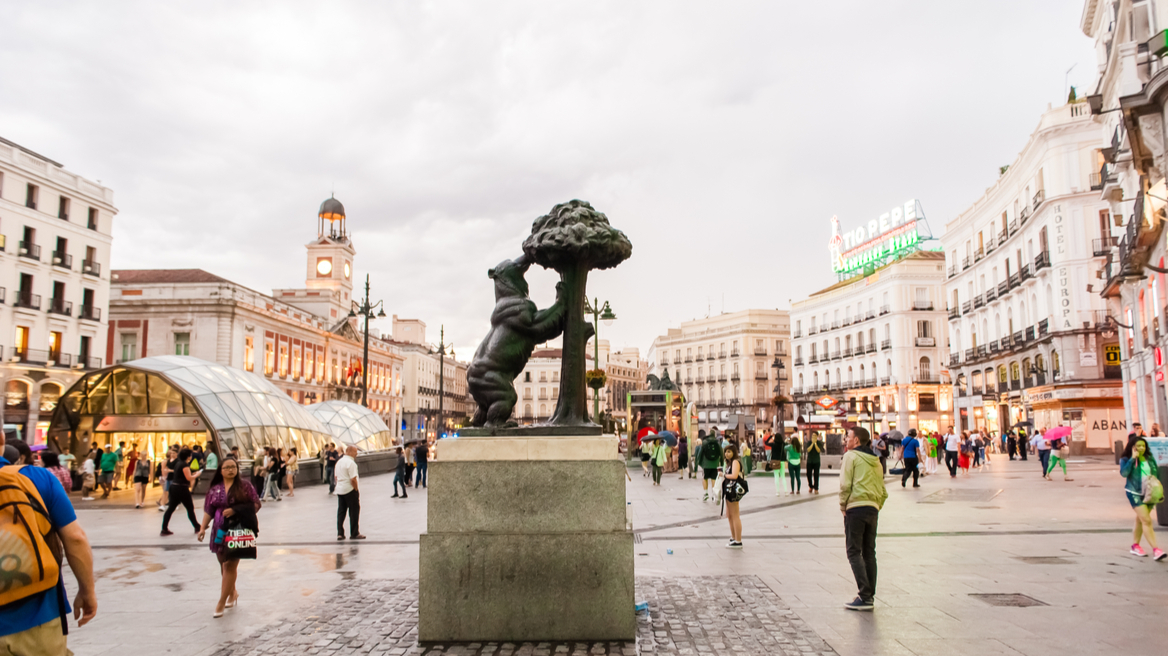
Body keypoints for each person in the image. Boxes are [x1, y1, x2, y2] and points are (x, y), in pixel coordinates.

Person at [0, 432, 98, 652]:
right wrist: (87, 591)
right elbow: (75, 538)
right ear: (1, 439)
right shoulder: (37, 478)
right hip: (39, 618)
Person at [197, 457, 262, 617]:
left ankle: (221, 602)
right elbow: (209, 509)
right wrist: (202, 527)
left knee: (229, 565)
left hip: (237, 530)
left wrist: (236, 510)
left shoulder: (244, 486)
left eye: (234, 467)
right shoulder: (215, 488)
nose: (231, 470)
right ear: (221, 470)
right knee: (222, 562)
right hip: (219, 530)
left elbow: (255, 504)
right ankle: (232, 593)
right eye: (227, 467)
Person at [839, 426, 888, 611]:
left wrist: (843, 505)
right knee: (869, 552)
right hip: (872, 509)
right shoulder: (875, 460)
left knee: (853, 551)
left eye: (848, 436)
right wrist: (876, 504)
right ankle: (869, 596)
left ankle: (864, 595)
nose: (846, 440)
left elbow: (845, 484)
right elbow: (883, 490)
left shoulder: (850, 456)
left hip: (855, 508)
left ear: (856, 440)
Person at [1120, 436, 1164, 560]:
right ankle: (1156, 550)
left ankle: (1135, 546)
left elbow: (1156, 473)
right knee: (1147, 520)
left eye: (1143, 446)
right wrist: (1132, 459)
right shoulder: (1125, 459)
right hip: (1134, 492)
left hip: (1149, 492)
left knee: (1141, 520)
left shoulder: (1149, 458)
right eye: (1138, 446)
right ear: (1132, 447)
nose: (1141, 448)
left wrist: (1158, 488)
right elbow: (1124, 473)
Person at [161, 448, 200, 536]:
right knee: (190, 508)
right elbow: (189, 478)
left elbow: (182, 475)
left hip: (174, 487)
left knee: (171, 508)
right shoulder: (184, 465)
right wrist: (197, 474)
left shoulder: (178, 463)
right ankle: (197, 526)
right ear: (188, 456)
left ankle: (164, 528)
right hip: (182, 488)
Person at [335, 445, 365, 540]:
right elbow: (353, 479)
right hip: (350, 490)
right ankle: (354, 533)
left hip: (340, 489)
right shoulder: (351, 463)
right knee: (354, 511)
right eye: (355, 452)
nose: (356, 454)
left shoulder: (339, 462)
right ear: (350, 452)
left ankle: (340, 533)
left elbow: (336, 477)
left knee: (341, 511)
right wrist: (356, 489)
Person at [722, 443, 745, 548]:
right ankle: (733, 537)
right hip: (729, 489)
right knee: (730, 515)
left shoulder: (735, 462)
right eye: (726, 452)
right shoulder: (730, 463)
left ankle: (738, 540)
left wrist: (724, 475)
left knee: (735, 515)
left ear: (734, 453)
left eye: (729, 452)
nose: (726, 454)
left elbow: (734, 476)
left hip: (733, 490)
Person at [697, 430, 723, 502]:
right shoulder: (718, 442)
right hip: (715, 463)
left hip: (706, 463)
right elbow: (721, 452)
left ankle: (705, 494)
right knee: (713, 479)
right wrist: (722, 462)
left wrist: (699, 462)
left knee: (705, 478)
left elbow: (701, 452)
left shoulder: (705, 442)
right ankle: (713, 495)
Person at [770, 432, 788, 496]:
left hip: (775, 461)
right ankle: (786, 491)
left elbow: (766, 443)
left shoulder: (773, 444)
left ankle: (777, 492)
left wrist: (771, 436)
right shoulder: (783, 444)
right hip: (782, 461)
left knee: (776, 476)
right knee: (783, 476)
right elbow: (787, 443)